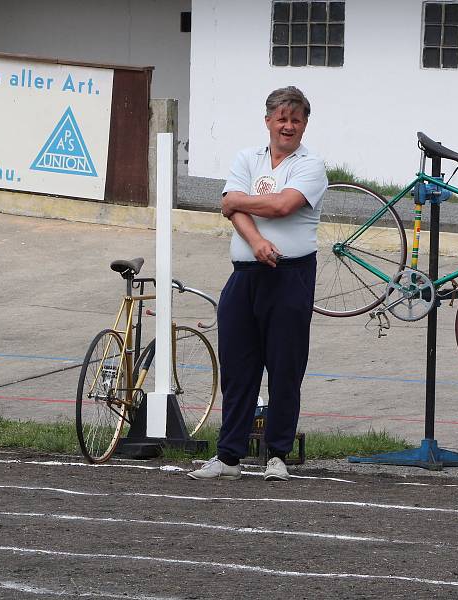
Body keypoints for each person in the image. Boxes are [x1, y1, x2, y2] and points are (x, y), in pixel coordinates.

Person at [188, 86, 327, 482]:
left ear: (304, 125)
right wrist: (257, 241)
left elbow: (281, 205)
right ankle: (228, 456)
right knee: (237, 368)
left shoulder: (311, 165)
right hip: (245, 274)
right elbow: (231, 208)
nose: (288, 125)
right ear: (268, 120)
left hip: (290, 276)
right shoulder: (246, 158)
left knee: (284, 368)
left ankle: (277, 455)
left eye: (295, 119)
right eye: (281, 118)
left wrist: (238, 202)